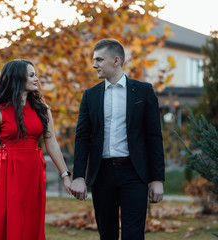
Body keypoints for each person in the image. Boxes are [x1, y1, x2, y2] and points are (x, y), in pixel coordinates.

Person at [70, 39, 165, 240]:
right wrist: (78, 176)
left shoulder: (144, 91)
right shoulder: (90, 96)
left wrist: (157, 179)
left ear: (116, 60)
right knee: (107, 235)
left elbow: (154, 137)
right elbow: (82, 138)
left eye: (99, 59)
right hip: (101, 174)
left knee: (134, 235)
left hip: (134, 173)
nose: (94, 64)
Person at [0, 59, 72, 240]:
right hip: (4, 174)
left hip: (32, 174)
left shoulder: (43, 110)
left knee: (29, 223)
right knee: (1, 224)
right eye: (32, 75)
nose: (36, 79)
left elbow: (52, 144)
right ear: (18, 78)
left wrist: (65, 175)